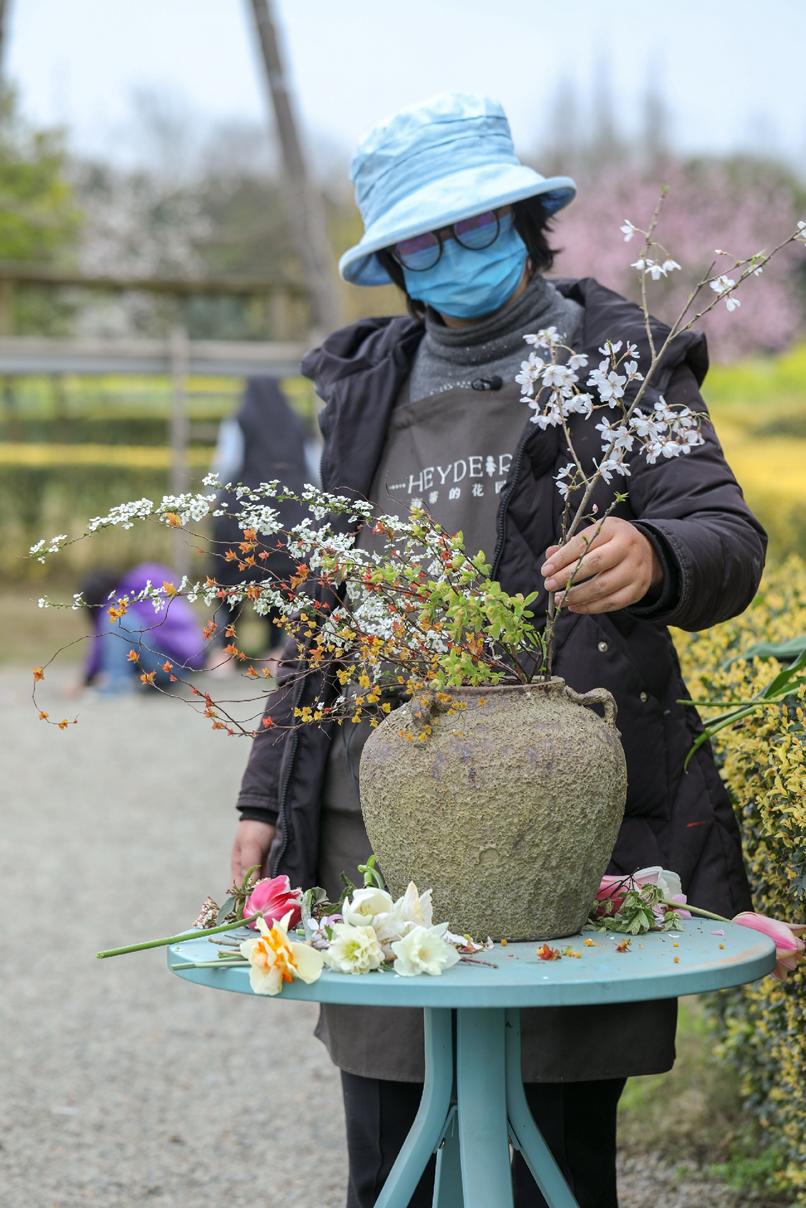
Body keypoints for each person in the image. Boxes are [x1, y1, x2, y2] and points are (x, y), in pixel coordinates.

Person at [229, 93, 766, 1207]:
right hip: (374, 822)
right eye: (423, 238)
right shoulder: (367, 382)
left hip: (560, 821)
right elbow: (330, 615)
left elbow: (726, 536)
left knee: (549, 1150)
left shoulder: (619, 358)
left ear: (527, 223)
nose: (455, 255)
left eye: (479, 224)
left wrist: (655, 551)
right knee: (394, 1151)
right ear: (393, 262)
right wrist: (258, 796)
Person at [208, 375, 318, 660]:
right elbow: (315, 470)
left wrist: (213, 498)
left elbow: (227, 465)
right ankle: (277, 647)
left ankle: (224, 653)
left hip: (243, 524)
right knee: (282, 583)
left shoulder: (240, 421)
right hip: (291, 521)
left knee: (230, 583)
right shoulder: (296, 423)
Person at [81, 562, 205, 694]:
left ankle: (115, 685)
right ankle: (129, 681)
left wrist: (86, 679)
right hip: (188, 666)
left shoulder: (117, 601)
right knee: (133, 631)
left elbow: (100, 642)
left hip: (168, 665)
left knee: (116, 619)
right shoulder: (143, 584)